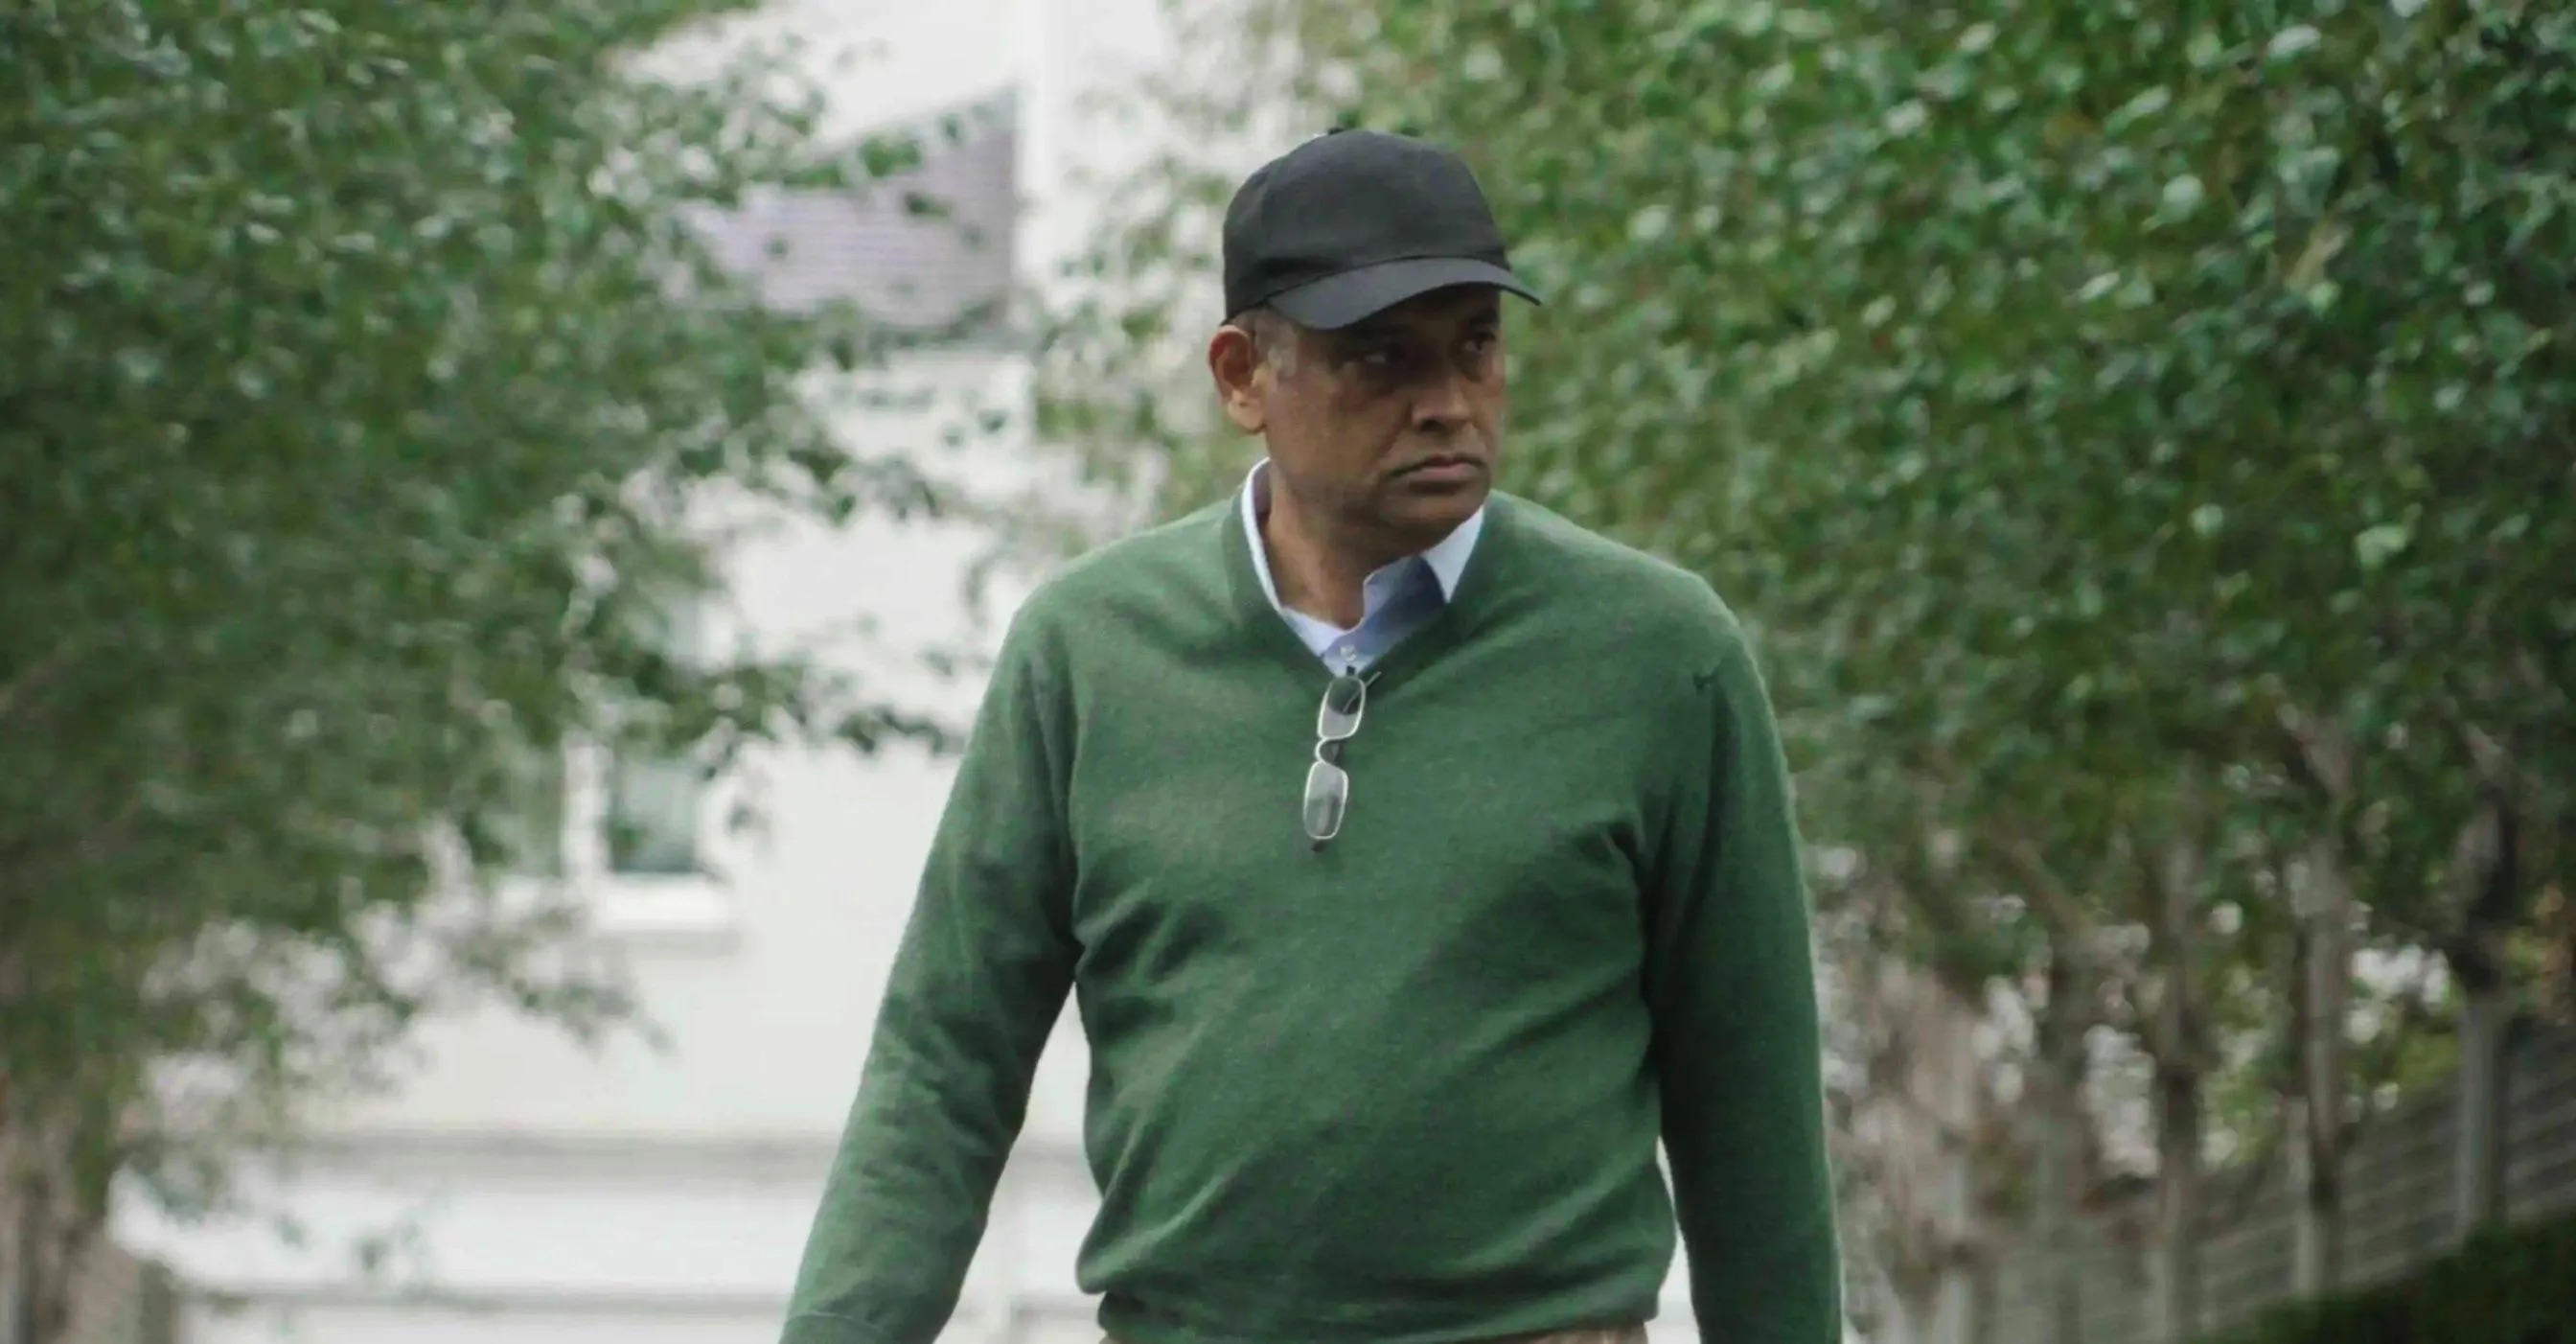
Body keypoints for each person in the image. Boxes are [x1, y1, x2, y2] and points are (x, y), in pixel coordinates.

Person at [781, 128, 1841, 1344]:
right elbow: (943, 1067)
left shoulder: (1659, 657)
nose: (1447, 403)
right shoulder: (1089, 651)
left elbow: (1751, 1103)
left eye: (1476, 349)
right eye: (1379, 358)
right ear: (1243, 375)